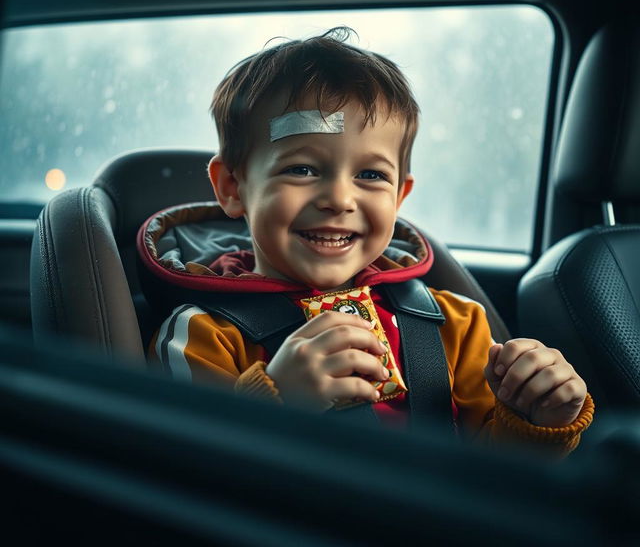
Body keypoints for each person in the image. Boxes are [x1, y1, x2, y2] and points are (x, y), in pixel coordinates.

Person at [142, 27, 593, 456]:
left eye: (371, 175)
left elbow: (494, 478)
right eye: (301, 169)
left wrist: (536, 418)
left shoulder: (453, 324)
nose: (339, 198)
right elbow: (187, 475)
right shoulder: (203, 335)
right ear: (233, 188)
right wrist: (277, 403)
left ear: (399, 197)